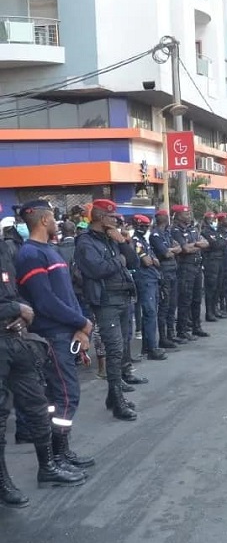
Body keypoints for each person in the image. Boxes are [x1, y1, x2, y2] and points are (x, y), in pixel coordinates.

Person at [0, 221, 85, 508]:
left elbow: (24, 293)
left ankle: (50, 463)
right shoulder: (27, 252)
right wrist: (15, 309)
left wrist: (24, 312)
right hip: (23, 337)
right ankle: (10, 480)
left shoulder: (11, 250)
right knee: (6, 416)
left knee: (39, 405)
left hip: (19, 338)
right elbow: (31, 301)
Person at [14, 199, 94, 475]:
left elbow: (67, 295)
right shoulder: (30, 254)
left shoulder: (48, 251)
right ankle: (53, 460)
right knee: (64, 396)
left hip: (65, 331)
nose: (57, 222)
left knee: (61, 396)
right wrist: (81, 321)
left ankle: (62, 453)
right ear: (45, 220)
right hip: (52, 335)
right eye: (54, 218)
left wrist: (80, 324)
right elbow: (45, 302)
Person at [74, 199, 142, 421]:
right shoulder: (85, 242)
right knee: (113, 350)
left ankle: (114, 396)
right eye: (112, 217)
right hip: (106, 301)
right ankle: (117, 400)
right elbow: (96, 269)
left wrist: (122, 242)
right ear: (101, 218)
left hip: (122, 297)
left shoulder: (111, 239)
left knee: (121, 347)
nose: (116, 220)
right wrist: (119, 261)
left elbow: (133, 261)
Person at [131, 214, 167, 361]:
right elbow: (146, 261)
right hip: (144, 280)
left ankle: (148, 345)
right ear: (136, 226)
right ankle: (151, 348)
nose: (145, 229)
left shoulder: (143, 240)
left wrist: (153, 260)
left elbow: (155, 260)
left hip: (151, 279)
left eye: (146, 226)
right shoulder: (136, 241)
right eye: (142, 227)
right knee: (150, 313)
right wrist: (152, 260)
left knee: (151, 312)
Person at [171, 205, 210, 340]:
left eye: (189, 214)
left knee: (197, 299)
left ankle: (196, 327)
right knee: (185, 300)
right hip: (185, 268)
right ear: (178, 215)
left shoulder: (192, 229)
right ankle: (182, 330)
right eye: (186, 214)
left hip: (197, 266)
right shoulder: (176, 231)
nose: (189, 216)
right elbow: (185, 249)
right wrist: (197, 245)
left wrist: (195, 245)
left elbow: (206, 243)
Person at [149, 209, 182, 349]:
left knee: (172, 305)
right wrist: (172, 250)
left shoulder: (167, 233)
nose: (168, 219)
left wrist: (172, 250)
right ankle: (163, 338)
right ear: (162, 218)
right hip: (164, 273)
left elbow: (178, 248)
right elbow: (166, 253)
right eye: (166, 217)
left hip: (172, 271)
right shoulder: (155, 235)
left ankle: (170, 335)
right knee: (165, 306)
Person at [200, 211, 226, 322]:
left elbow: (223, 243)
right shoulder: (205, 231)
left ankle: (215, 309)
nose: (212, 221)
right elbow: (215, 244)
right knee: (210, 288)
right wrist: (219, 243)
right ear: (206, 220)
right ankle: (209, 312)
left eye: (213, 219)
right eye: (210, 219)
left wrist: (219, 242)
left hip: (219, 260)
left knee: (218, 287)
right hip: (210, 261)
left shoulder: (214, 231)